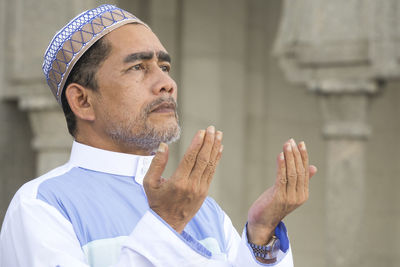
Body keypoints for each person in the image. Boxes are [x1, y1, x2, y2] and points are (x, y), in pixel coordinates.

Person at [0, 4, 317, 267]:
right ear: (82, 100)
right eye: (138, 67)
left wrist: (261, 236)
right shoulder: (43, 207)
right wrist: (166, 224)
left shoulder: (205, 212)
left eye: (164, 66)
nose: (166, 83)